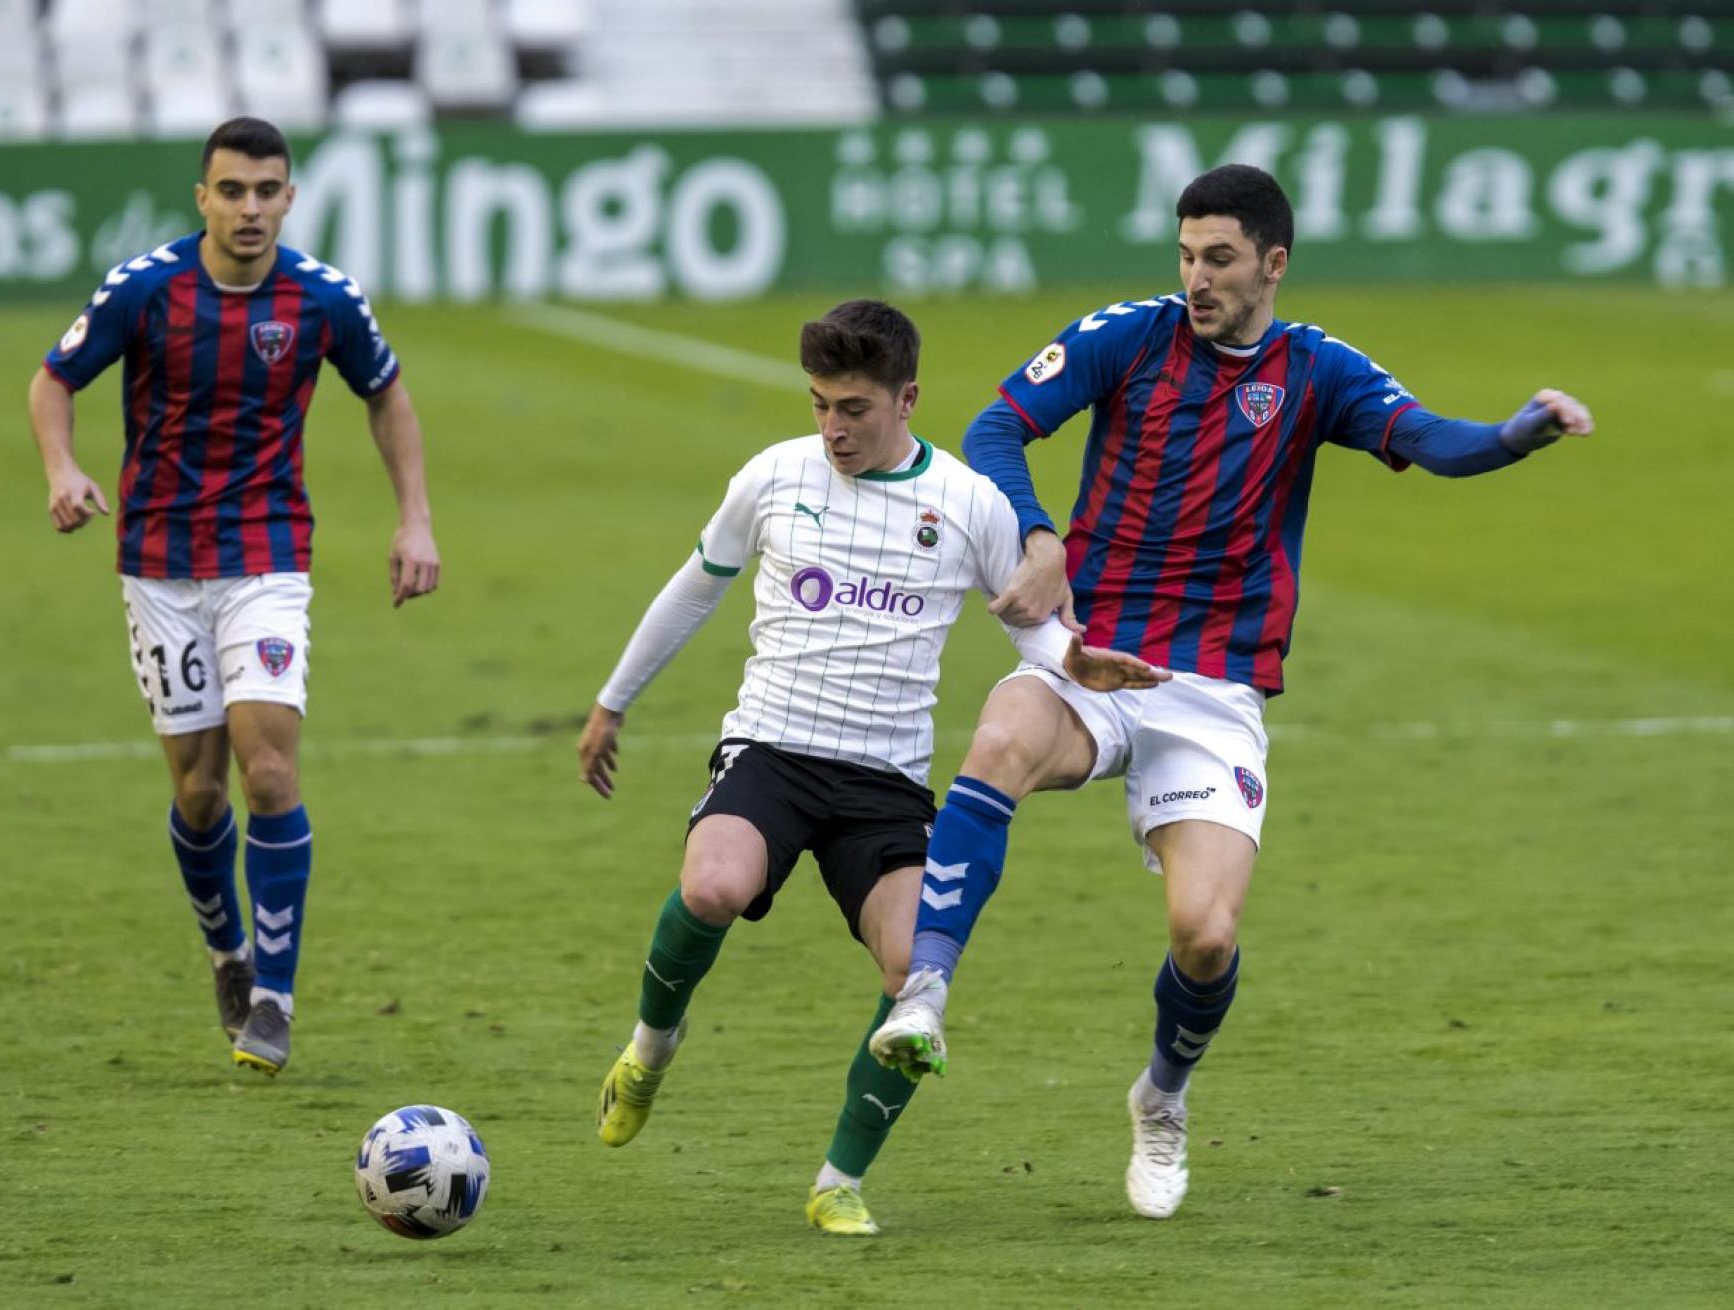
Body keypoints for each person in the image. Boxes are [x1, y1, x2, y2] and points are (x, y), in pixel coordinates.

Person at [868, 164, 1594, 1220]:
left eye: (1218, 258)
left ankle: (1162, 1094)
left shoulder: (1318, 371)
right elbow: (995, 427)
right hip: (1099, 656)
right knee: (1004, 730)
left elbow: (1434, 441)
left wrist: (1518, 431)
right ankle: (923, 993)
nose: (1196, 278)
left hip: (1213, 691)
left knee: (1205, 935)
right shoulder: (1129, 335)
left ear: (1273, 263)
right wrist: (1040, 535)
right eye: (1185, 255)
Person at [576, 300, 1160, 1236]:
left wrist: (1075, 661)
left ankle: (838, 1180)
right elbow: (695, 588)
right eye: (819, 405)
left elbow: (1033, 624)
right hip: (772, 750)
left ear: (907, 399)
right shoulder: (775, 476)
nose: (832, 428)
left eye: (852, 408)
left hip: (883, 784)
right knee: (714, 885)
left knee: (912, 977)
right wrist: (612, 701)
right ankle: (649, 1048)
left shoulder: (971, 503)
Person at [25, 117, 441, 1076]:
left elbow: (387, 394)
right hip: (160, 562)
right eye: (232, 191)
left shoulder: (324, 298)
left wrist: (413, 518)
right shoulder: (146, 289)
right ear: (202, 198)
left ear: (289, 198)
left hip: (267, 557)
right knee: (201, 791)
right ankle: (226, 952)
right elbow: (54, 380)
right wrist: (61, 468)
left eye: (267, 191)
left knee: (268, 774)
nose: (250, 208)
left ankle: (274, 999)